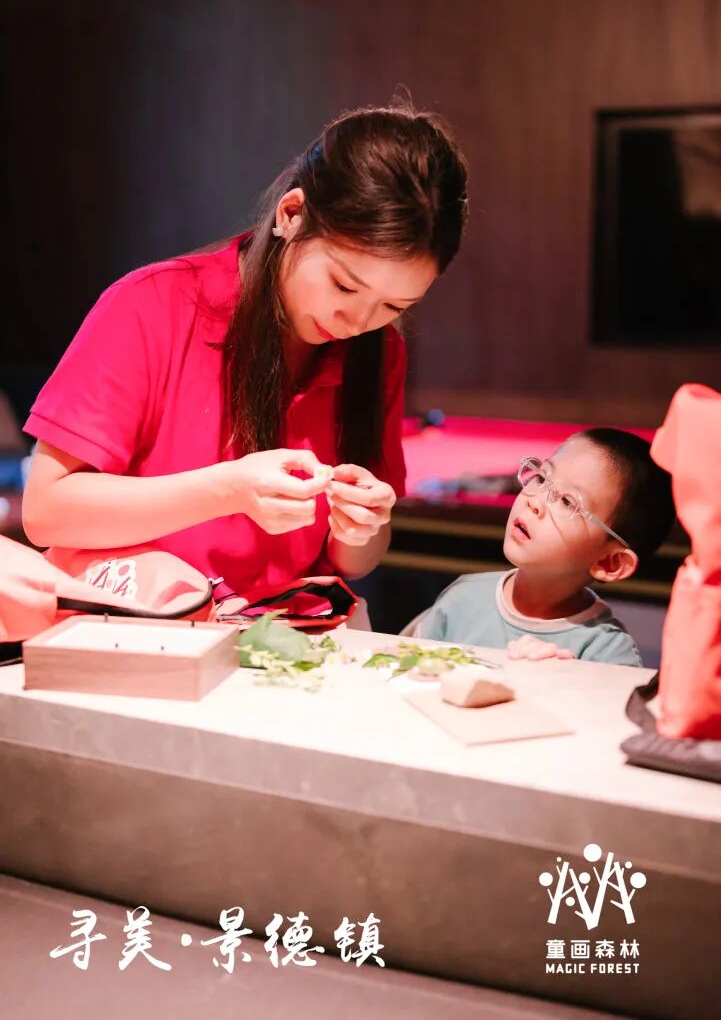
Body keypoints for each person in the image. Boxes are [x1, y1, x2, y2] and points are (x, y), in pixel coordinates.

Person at [21, 106, 468, 597]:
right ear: (291, 215)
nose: (358, 322)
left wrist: (361, 524)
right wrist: (228, 490)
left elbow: (356, 562)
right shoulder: (152, 305)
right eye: (343, 285)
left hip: (280, 628)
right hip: (138, 624)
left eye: (394, 305)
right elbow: (46, 512)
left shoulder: (381, 350)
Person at [409, 428, 675, 666]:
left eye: (567, 502)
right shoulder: (463, 597)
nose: (535, 501)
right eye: (541, 478)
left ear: (610, 562)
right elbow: (405, 672)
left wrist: (562, 682)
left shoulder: (606, 651)